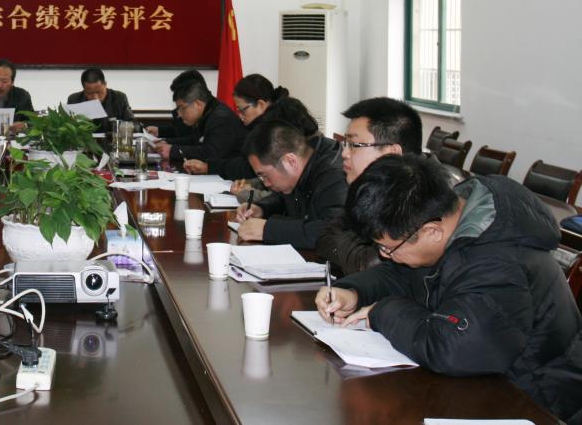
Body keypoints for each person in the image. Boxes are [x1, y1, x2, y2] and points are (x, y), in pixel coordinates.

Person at [317, 154, 582, 424]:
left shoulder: (497, 262)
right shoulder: (452, 216)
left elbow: (455, 349)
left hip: (534, 400)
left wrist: (382, 312)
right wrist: (354, 292)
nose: (386, 256)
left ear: (432, 231)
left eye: (388, 248)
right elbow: (403, 274)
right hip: (483, 383)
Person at [315, 97, 423, 275]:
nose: (344, 153)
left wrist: (345, 246)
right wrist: (354, 250)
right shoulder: (366, 189)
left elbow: (367, 265)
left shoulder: (418, 199)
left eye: (354, 145)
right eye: (345, 144)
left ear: (391, 153)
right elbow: (324, 239)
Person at [233, 119, 346, 249]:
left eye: (264, 175)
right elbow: (285, 198)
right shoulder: (304, 164)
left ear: (290, 161)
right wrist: (261, 208)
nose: (266, 183)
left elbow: (333, 232)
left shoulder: (334, 175)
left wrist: (267, 230)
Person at [183, 74, 287, 180]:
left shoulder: (276, 131)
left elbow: (250, 169)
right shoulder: (258, 126)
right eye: (238, 111)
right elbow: (242, 162)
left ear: (261, 105)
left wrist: (209, 167)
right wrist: (209, 167)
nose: (240, 116)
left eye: (242, 110)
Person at [152, 81, 246, 163]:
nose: (179, 114)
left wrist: (173, 151)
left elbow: (211, 154)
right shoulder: (208, 113)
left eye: (182, 108)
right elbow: (194, 140)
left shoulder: (221, 119)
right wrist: (167, 143)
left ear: (198, 104)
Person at [146, 69, 206, 141]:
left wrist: (167, 142)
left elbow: (193, 141)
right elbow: (182, 132)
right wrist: (159, 131)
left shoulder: (213, 118)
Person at [66, 67, 133, 131]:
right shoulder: (74, 100)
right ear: (84, 89)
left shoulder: (119, 98)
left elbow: (131, 124)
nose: (95, 98)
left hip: (112, 138)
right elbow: (68, 127)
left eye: (99, 92)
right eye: (90, 93)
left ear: (105, 84)